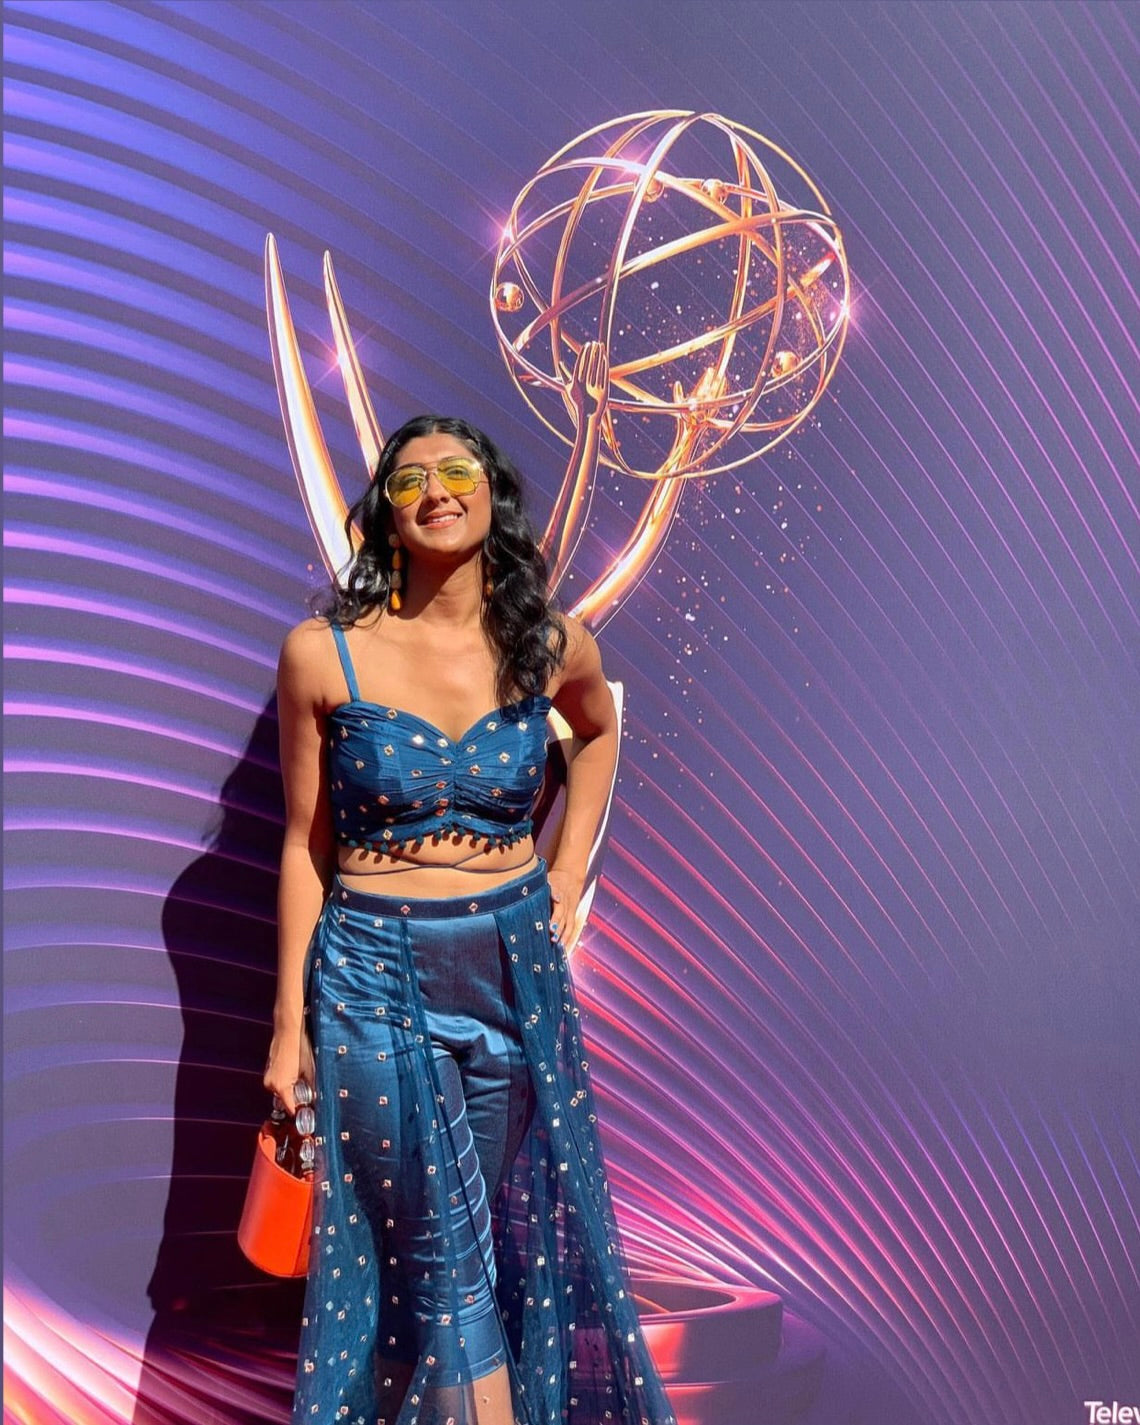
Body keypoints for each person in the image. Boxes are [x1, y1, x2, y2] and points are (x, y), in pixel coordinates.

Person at [264, 414, 675, 1425]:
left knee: (468, 1248)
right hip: (374, 973)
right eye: (410, 481)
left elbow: (597, 730)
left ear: (493, 493)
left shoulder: (549, 643)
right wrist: (287, 1029)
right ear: (384, 514)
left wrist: (566, 869)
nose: (437, 492)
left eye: (457, 471)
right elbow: (305, 845)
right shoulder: (323, 654)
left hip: (511, 968)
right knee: (446, 1254)